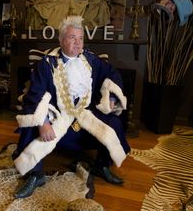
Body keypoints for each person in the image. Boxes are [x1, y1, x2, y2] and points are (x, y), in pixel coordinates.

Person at [13, 15, 130, 199]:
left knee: (113, 120)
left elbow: (112, 73)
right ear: (61, 40)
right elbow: (34, 95)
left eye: (81, 38)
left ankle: (102, 165)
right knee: (32, 124)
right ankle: (35, 174)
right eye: (72, 38)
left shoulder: (91, 60)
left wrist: (112, 96)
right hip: (59, 116)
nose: (77, 43)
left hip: (85, 114)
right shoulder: (46, 64)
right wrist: (43, 122)